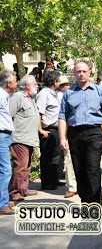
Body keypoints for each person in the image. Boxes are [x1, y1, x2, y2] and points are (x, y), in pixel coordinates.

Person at [59, 62, 102, 203]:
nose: (81, 74)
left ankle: (95, 203)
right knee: (79, 169)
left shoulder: (99, 91)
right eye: (78, 71)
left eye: (84, 71)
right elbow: (62, 116)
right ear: (74, 74)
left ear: (89, 73)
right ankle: (85, 201)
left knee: (92, 168)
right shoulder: (69, 93)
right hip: (75, 134)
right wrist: (62, 138)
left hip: (94, 133)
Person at [9, 75, 40, 201]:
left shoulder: (30, 98)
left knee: (27, 166)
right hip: (20, 138)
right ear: (27, 86)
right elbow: (8, 115)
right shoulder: (17, 97)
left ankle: (23, 189)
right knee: (20, 167)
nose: (37, 85)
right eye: (34, 84)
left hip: (30, 138)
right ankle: (14, 192)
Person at [36, 71, 64, 190]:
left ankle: (53, 179)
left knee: (55, 156)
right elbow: (39, 113)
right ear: (54, 82)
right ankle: (46, 182)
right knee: (47, 156)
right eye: (59, 80)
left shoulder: (55, 94)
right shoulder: (44, 94)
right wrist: (40, 129)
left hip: (56, 129)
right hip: (48, 129)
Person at [0, 70, 17, 215]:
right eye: (15, 81)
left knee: (4, 170)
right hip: (1, 136)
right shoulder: (1, 95)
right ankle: (2, 204)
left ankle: (2, 199)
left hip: (5, 136)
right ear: (8, 83)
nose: (16, 83)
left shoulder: (4, 96)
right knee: (5, 170)